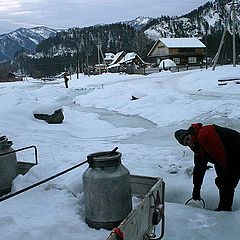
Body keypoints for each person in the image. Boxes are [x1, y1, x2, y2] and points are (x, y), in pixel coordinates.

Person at [174, 123, 240, 211]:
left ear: (190, 133)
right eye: (186, 143)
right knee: (222, 181)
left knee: (226, 182)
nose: (189, 143)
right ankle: (224, 208)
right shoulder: (198, 147)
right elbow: (199, 169)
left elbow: (220, 155)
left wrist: (228, 178)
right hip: (227, 157)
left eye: (187, 139)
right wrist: (196, 190)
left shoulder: (205, 134)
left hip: (235, 152)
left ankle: (224, 210)